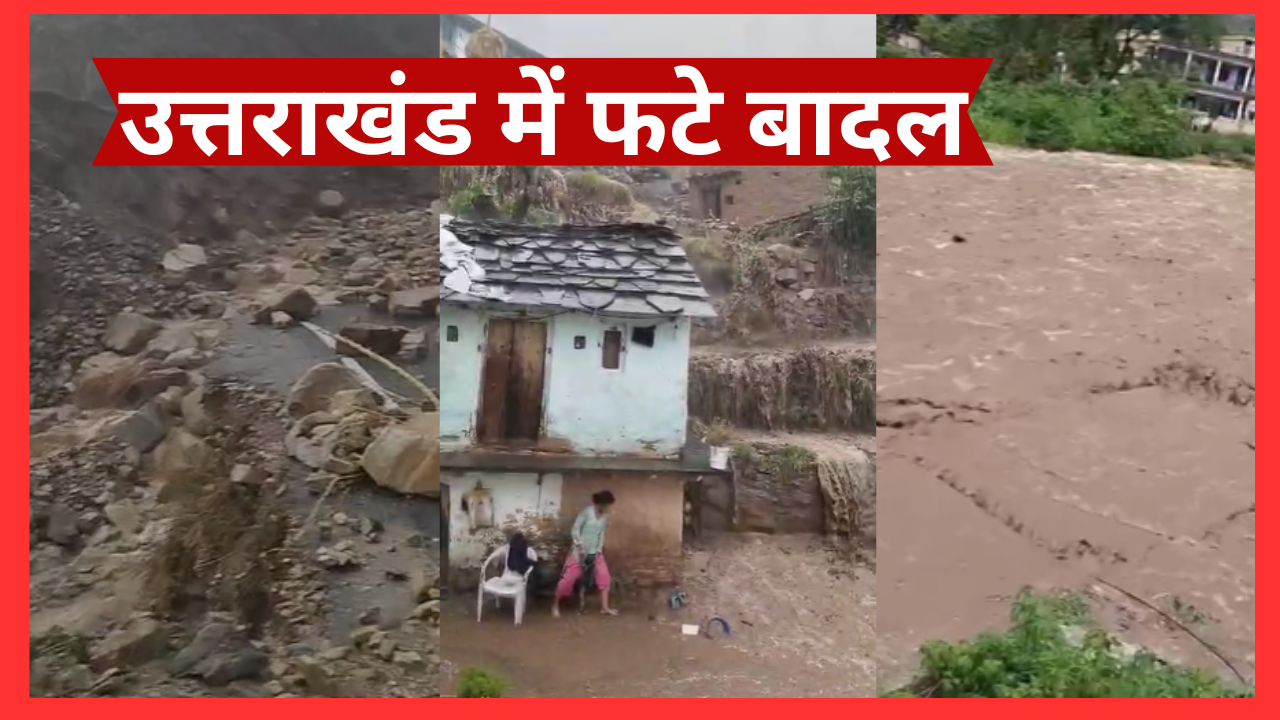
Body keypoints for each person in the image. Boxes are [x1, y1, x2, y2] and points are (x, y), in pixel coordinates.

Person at [553, 490, 617, 617]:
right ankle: (555, 605)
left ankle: (605, 608)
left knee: (604, 577)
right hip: (579, 552)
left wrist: (598, 550)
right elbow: (575, 530)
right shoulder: (586, 513)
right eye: (607, 505)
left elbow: (601, 535)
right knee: (568, 580)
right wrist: (580, 547)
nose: (608, 508)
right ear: (600, 503)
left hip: (595, 552)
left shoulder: (605, 518)